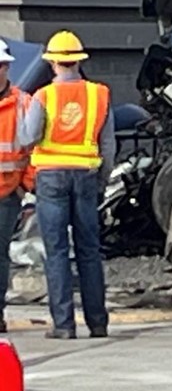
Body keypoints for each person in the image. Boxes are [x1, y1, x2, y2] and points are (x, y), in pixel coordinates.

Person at [18, 31, 114, 340]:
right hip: (86, 175)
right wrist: (102, 180)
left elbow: (28, 137)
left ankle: (64, 325)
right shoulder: (99, 94)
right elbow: (108, 146)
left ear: (53, 63)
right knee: (89, 250)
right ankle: (98, 323)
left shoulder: (44, 96)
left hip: (51, 178)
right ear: (78, 61)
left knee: (56, 251)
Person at [0, 41, 33, 334]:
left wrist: (25, 187)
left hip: (7, 194)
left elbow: (34, 149)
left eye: (2, 66)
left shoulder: (23, 103)